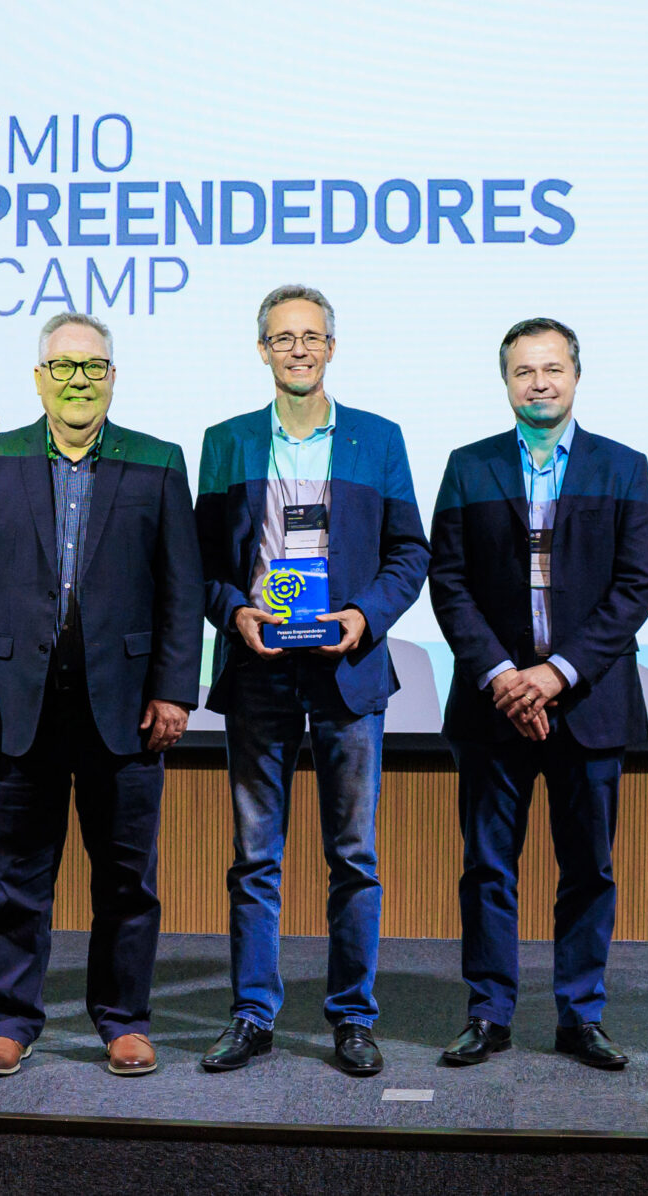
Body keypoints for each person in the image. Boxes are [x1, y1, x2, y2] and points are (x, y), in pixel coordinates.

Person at [0, 312, 199, 1079]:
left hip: (127, 709)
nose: (78, 380)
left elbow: (181, 593)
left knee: (127, 881)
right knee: (19, 879)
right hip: (17, 707)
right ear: (38, 378)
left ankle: (123, 1020)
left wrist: (175, 692)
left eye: (93, 368)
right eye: (63, 367)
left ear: (113, 378)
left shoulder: (158, 461)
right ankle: (11, 1021)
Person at [194, 284, 429, 1077]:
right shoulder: (225, 441)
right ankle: (253, 1014)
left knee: (353, 856)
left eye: (312, 336)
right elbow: (199, 564)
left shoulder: (377, 439)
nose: (298, 349)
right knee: (255, 856)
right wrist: (235, 613)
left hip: (347, 675)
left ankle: (352, 1018)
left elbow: (409, 553)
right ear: (261, 349)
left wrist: (365, 614)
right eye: (282, 337)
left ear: (332, 347)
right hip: (260, 672)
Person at [426, 318, 648, 1071]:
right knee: (488, 867)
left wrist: (556, 674)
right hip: (493, 708)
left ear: (577, 375)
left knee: (588, 869)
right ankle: (489, 1013)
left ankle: (580, 1015)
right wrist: (503, 676)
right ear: (506, 382)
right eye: (524, 372)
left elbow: (634, 589)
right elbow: (449, 583)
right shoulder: (468, 467)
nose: (540, 383)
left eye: (552, 369)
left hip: (587, 706)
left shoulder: (624, 468)